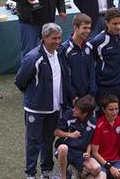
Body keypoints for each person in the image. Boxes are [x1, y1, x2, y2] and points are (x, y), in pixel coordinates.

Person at [15, 23, 75, 179]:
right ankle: (30, 174)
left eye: (59, 38)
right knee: (33, 142)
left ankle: (46, 172)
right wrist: (34, 96)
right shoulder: (34, 57)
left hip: (54, 108)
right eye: (54, 38)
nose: (57, 41)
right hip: (36, 110)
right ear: (44, 38)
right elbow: (20, 81)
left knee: (48, 141)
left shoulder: (59, 53)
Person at [89, 8, 120, 116]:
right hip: (103, 87)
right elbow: (90, 64)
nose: (118, 26)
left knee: (119, 117)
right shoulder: (98, 41)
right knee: (102, 119)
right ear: (106, 23)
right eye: (114, 24)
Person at [54, 95, 101, 179]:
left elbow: (91, 141)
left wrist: (88, 152)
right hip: (66, 149)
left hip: (80, 153)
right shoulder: (69, 114)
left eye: (77, 109)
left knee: (96, 169)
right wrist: (70, 134)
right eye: (74, 107)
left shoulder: (93, 122)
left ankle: (78, 172)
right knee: (63, 148)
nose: (73, 110)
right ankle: (63, 176)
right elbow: (56, 132)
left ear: (85, 113)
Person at [90, 94, 120, 179]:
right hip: (102, 161)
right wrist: (109, 167)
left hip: (117, 160)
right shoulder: (99, 126)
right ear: (104, 110)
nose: (114, 112)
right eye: (111, 110)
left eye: (116, 109)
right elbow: (95, 152)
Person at [59, 13, 97, 100]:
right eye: (84, 28)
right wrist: (73, 96)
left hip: (89, 96)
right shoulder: (64, 49)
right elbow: (65, 76)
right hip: (73, 99)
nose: (87, 31)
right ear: (75, 27)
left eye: (89, 28)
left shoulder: (89, 46)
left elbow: (92, 71)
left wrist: (92, 93)